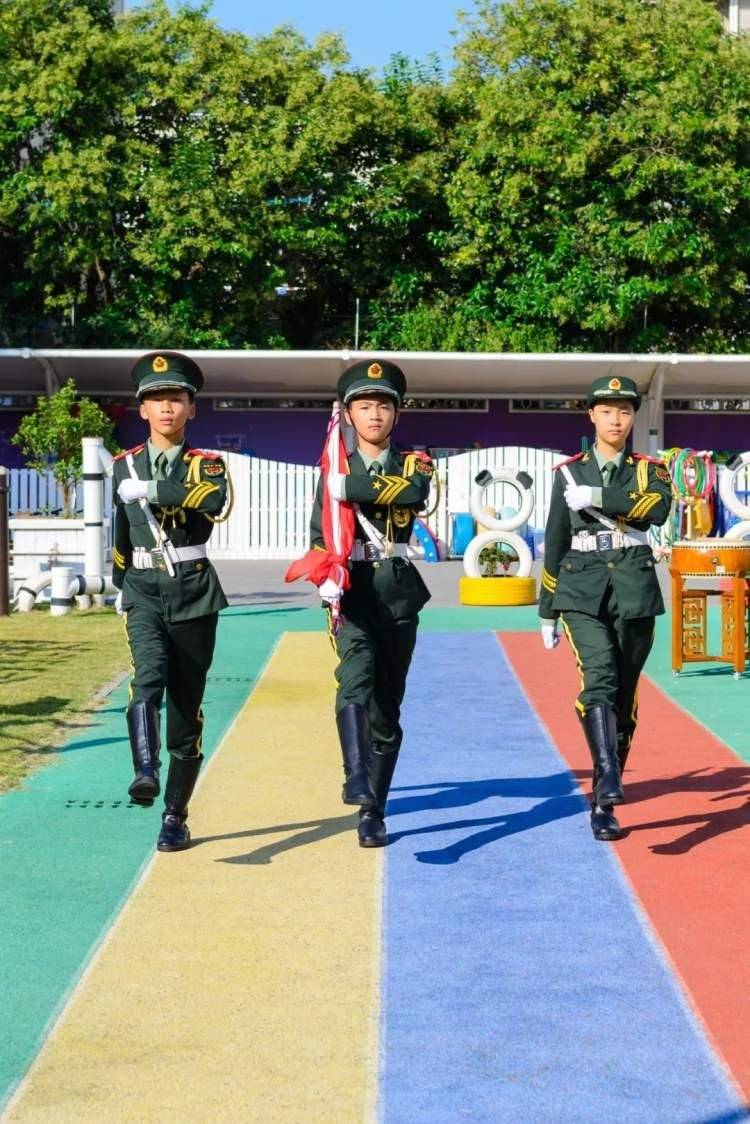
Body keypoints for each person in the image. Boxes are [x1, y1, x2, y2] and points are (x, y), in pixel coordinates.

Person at [293, 359, 433, 848]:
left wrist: (350, 487)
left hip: (396, 593)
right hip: (350, 591)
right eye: (364, 406)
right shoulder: (332, 468)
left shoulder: (414, 464)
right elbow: (320, 534)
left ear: (397, 414)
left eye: (383, 406)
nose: (374, 415)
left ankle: (376, 806)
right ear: (348, 415)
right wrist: (325, 577)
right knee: (354, 678)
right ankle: (357, 777)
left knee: (387, 710)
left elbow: (412, 494)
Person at [538, 375, 672, 841]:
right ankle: (608, 780)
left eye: (625, 411)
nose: (616, 420)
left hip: (634, 591)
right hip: (581, 591)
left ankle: (604, 792)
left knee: (624, 698)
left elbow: (656, 509)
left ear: (633, 417)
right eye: (607, 411)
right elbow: (555, 540)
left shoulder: (650, 471)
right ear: (591, 415)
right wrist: (547, 609)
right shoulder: (567, 473)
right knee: (599, 680)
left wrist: (598, 497)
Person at [112, 351, 228, 852]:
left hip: (193, 592)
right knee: (147, 676)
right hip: (143, 588)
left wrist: (154, 488)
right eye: (156, 400)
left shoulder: (208, 465)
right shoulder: (122, 465)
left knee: (185, 709)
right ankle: (145, 770)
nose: (166, 408)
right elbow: (121, 529)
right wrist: (120, 582)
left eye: (176, 399)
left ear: (191, 408)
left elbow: (212, 501)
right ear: (142, 410)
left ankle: (175, 815)